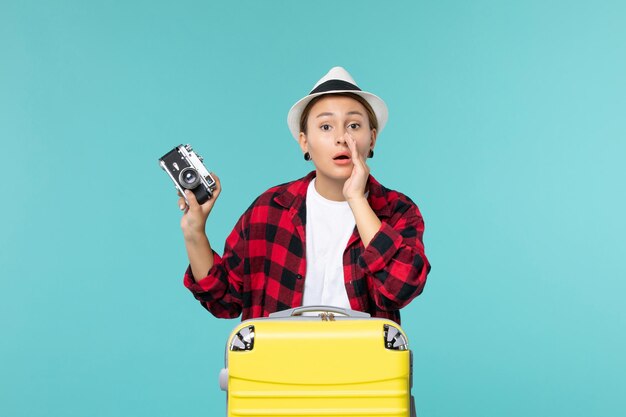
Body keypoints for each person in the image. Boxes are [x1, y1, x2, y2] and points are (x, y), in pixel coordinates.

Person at [178, 67, 430, 324]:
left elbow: (401, 287)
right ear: (304, 142)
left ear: (372, 139)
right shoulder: (270, 208)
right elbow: (225, 300)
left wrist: (357, 199)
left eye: (354, 125)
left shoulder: (398, 210)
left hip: (363, 362)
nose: (342, 138)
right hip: (278, 362)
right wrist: (194, 232)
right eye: (326, 126)